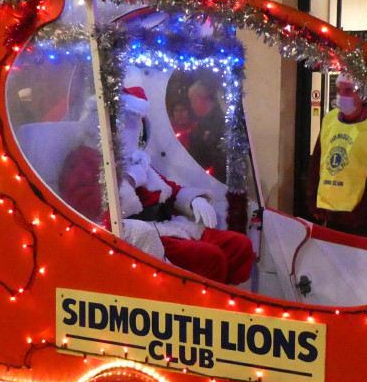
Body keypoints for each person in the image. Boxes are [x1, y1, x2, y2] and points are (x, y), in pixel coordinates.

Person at [59, 85, 254, 285]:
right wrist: (128, 180)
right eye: (125, 123)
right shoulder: (83, 160)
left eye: (134, 124)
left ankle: (229, 302)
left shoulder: (135, 158)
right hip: (139, 234)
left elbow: (168, 187)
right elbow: (90, 212)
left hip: (169, 225)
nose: (132, 130)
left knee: (239, 246)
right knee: (209, 257)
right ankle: (206, 306)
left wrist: (194, 200)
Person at [306, 74, 367, 236]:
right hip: (330, 213)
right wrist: (313, 200)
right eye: (339, 90)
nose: (342, 96)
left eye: (348, 90)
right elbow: (317, 162)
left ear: (363, 95)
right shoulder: (330, 120)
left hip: (362, 217)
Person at [186, 80, 227, 181]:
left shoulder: (218, 123)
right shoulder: (203, 123)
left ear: (202, 99)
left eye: (192, 100)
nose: (191, 106)